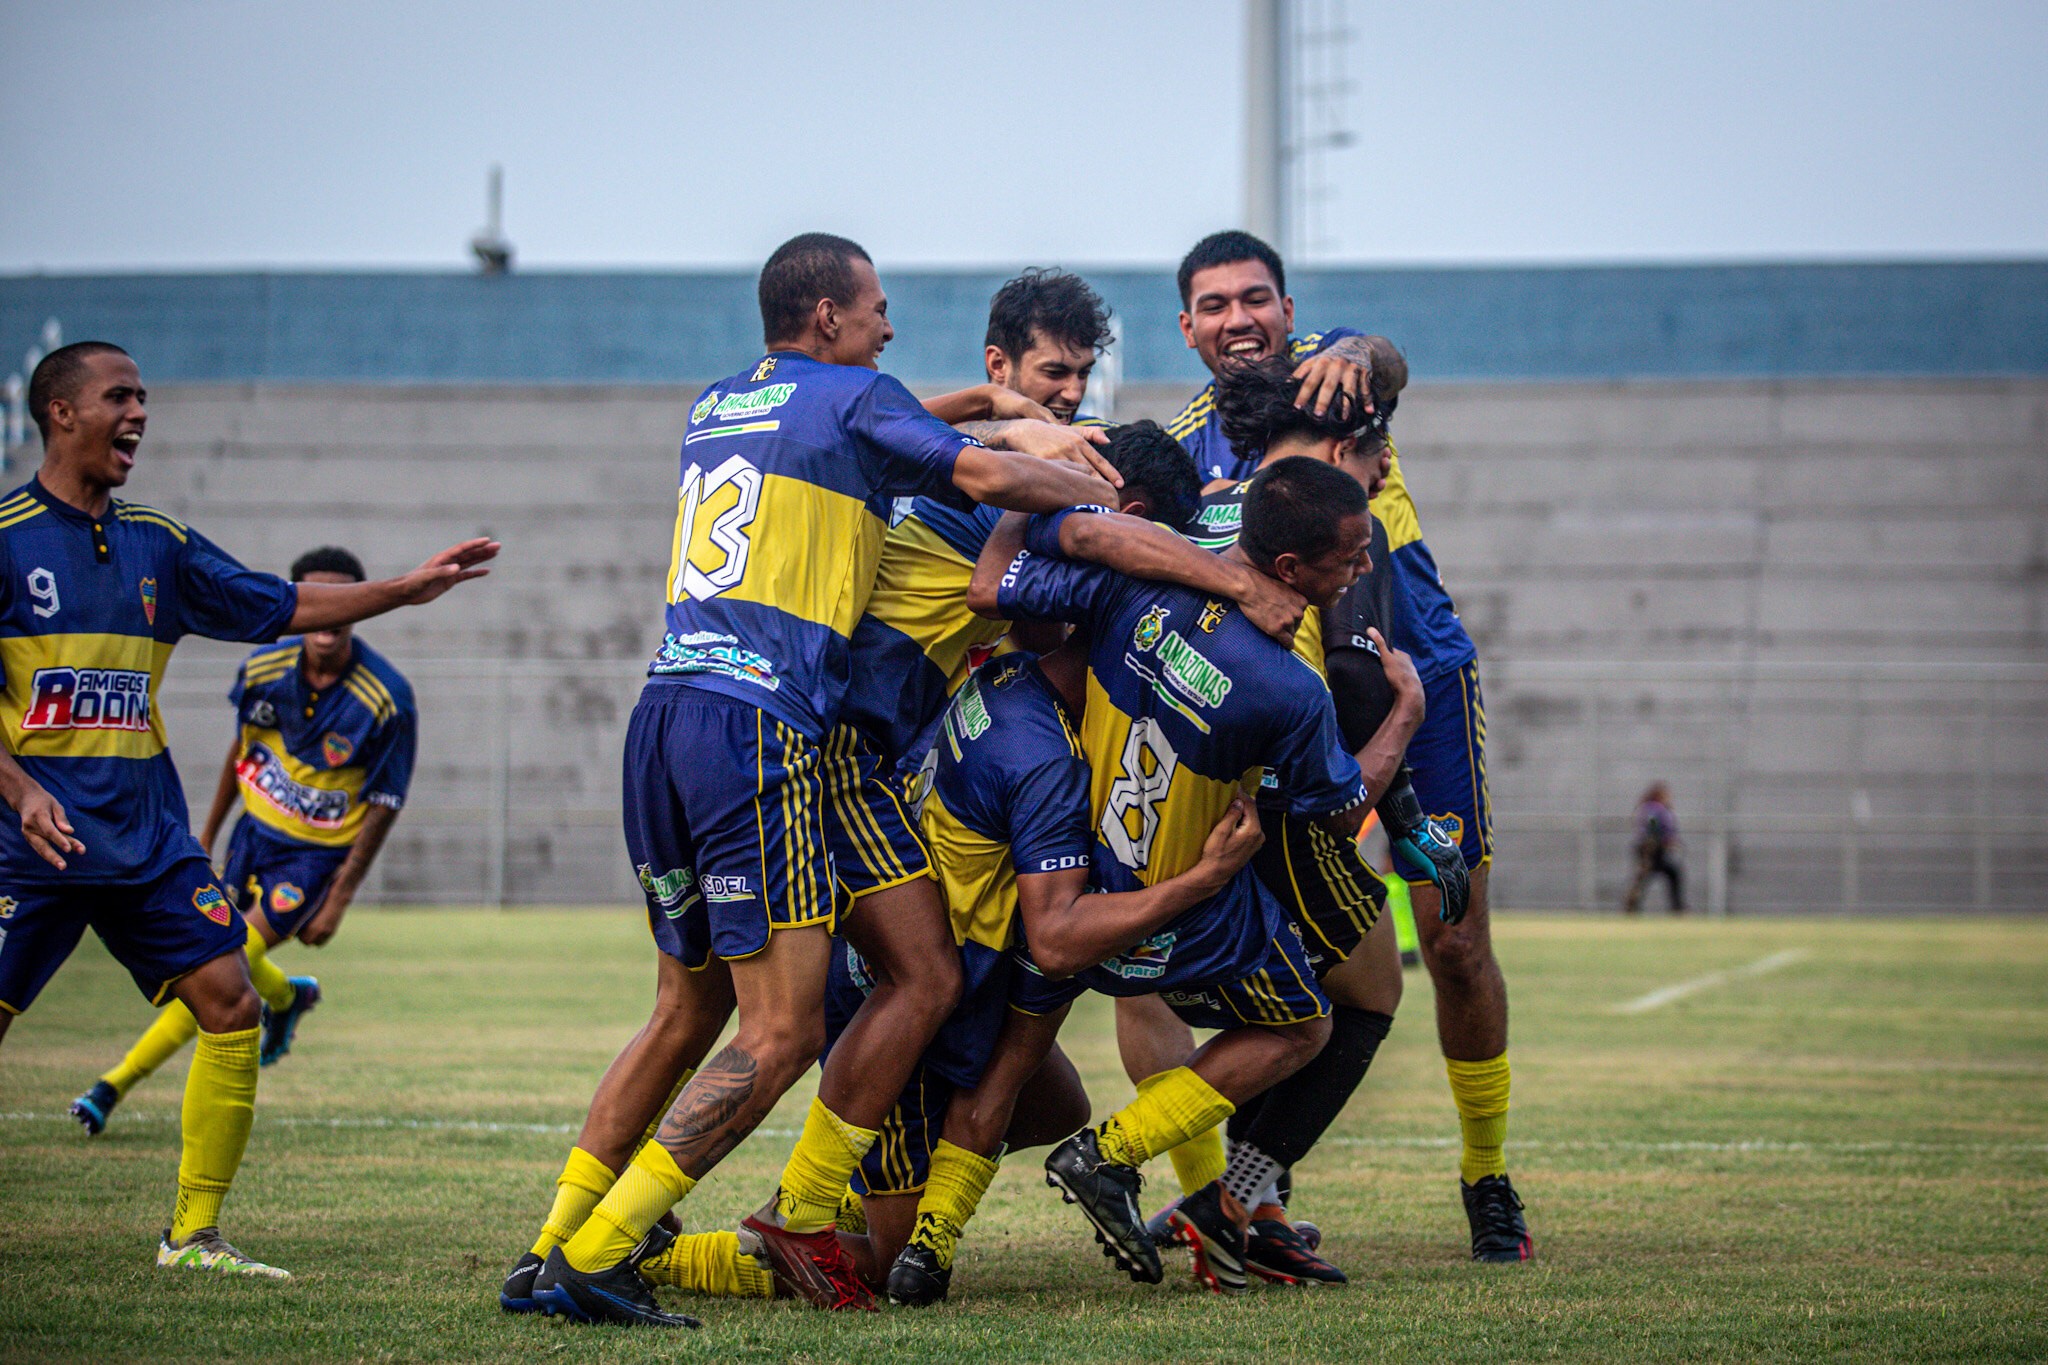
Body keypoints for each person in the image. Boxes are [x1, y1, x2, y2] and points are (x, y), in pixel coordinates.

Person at [514, 232, 1120, 1328]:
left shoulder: (721, 403)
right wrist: (1072, 464)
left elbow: (886, 419)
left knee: (855, 985)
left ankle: (568, 1238)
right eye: (877, 308)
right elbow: (974, 490)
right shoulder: (868, 416)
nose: (889, 325)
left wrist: (1000, 412)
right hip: (771, 732)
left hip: (680, 710)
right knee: (779, 1031)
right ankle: (597, 1253)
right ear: (832, 319)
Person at [0, 341, 495, 1278]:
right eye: (120, 396)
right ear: (61, 412)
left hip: (146, 838)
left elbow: (282, 600)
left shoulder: (159, 543)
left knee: (228, 1003)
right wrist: (22, 790)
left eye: (146, 396)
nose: (140, 412)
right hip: (31, 844)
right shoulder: (6, 539)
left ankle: (192, 1237)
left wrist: (404, 588)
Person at [912, 456, 1382, 1291]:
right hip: (1179, 923)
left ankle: (934, 1240)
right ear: (1288, 570)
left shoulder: (1127, 587)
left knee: (1014, 1058)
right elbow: (1336, 810)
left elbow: (1022, 566)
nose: (1364, 568)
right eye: (1350, 557)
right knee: (1304, 1026)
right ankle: (1116, 1157)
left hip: (1074, 891)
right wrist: (1407, 712)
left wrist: (1038, 482)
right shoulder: (1293, 689)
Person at [1162, 231, 1531, 1264]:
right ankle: (1242, 1192)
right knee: (1306, 966)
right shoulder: (1194, 442)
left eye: (1255, 299)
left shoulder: (1330, 371)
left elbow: (1384, 359)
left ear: (1285, 310)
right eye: (1214, 305)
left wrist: (1367, 355)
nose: (1239, 320)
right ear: (1185, 328)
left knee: (1455, 940)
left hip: (1421, 677)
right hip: (1300, 711)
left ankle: (1486, 1175)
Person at [1120, 354, 1470, 1289]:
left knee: (1185, 1000)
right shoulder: (1331, 523)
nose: (1387, 473)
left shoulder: (1203, 506)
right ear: (1348, 443)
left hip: (1162, 799)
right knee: (1348, 1007)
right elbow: (1358, 688)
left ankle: (1237, 1200)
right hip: (1286, 809)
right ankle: (1212, 1196)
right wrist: (1408, 774)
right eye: (1380, 446)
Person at [71, 545, 417, 1131]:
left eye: (342, 600)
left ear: (358, 607)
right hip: (251, 839)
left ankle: (112, 1085)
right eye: (317, 598)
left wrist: (340, 896)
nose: (329, 615)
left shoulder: (387, 698)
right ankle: (287, 998)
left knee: (221, 962)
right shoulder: (261, 668)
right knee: (224, 960)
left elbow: (385, 802)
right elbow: (243, 751)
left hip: (312, 860)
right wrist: (204, 835)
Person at [1625, 782, 1686, 914]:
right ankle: (1677, 908)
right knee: (1649, 876)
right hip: (1651, 848)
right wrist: (1655, 836)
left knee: (1646, 877)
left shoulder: (1653, 807)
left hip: (1653, 847)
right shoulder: (1654, 807)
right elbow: (1652, 822)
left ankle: (1632, 905)